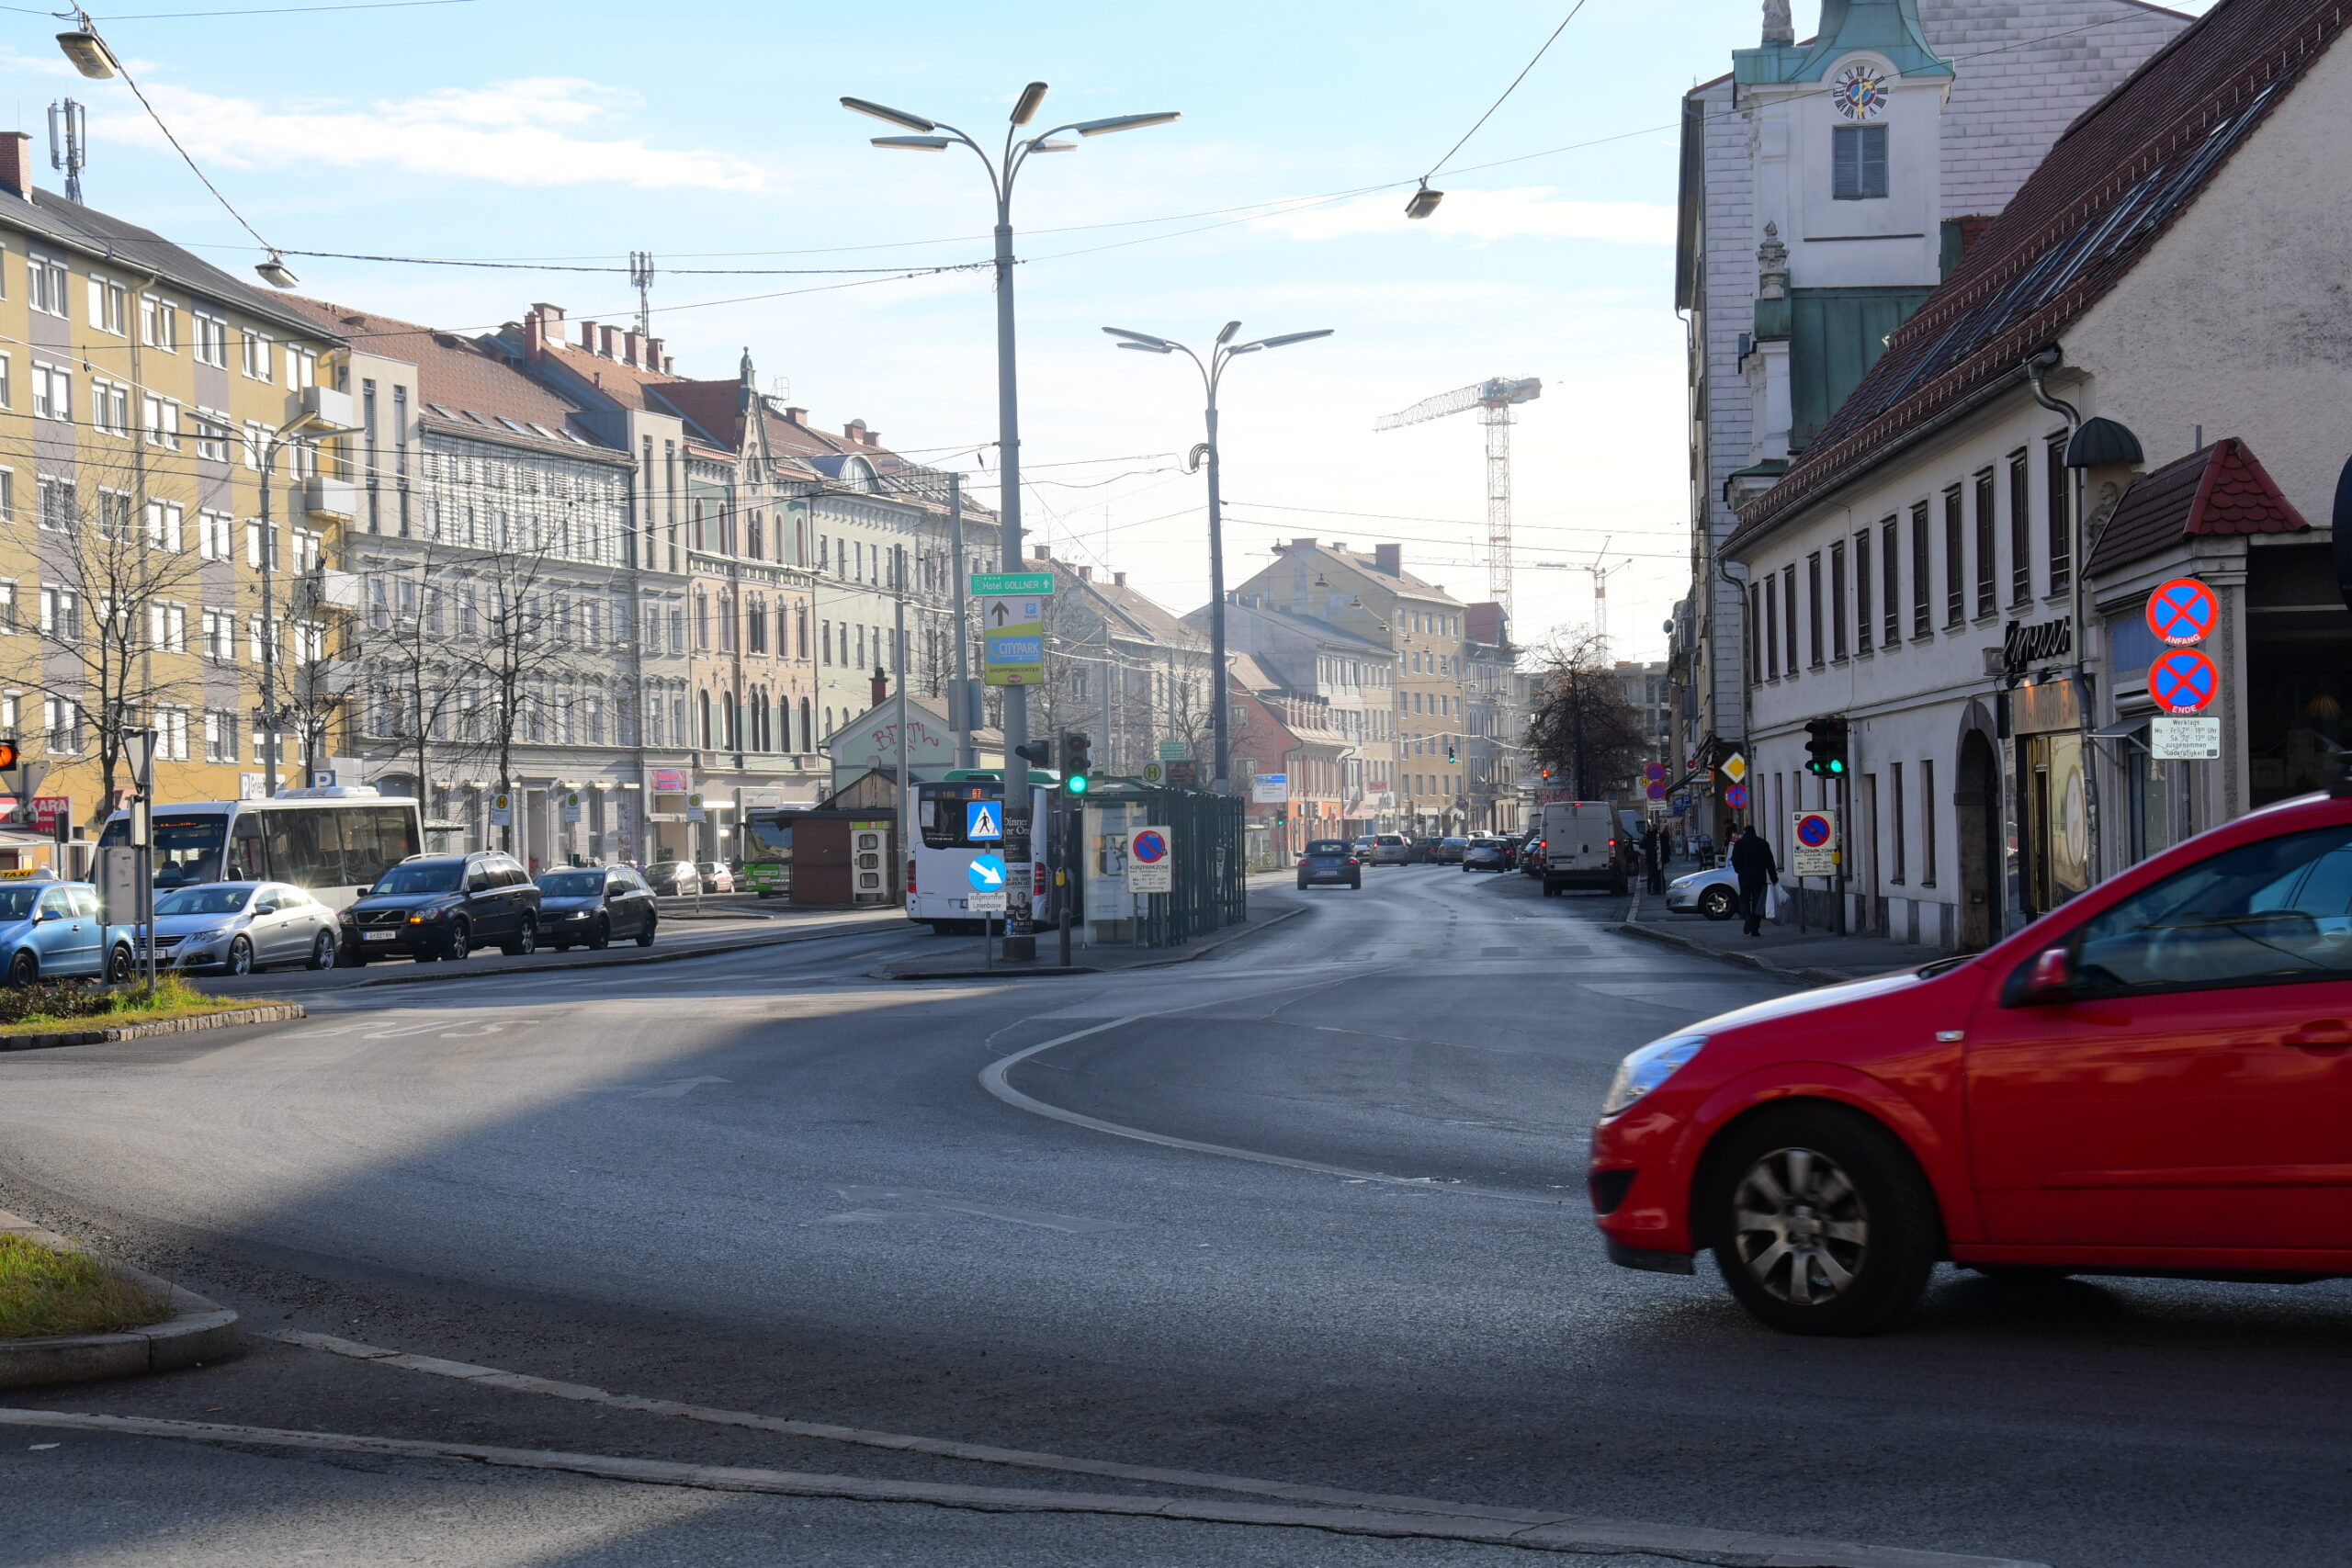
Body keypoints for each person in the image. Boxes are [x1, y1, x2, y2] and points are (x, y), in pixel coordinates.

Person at [1730, 824, 1780, 937]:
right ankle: (1755, 928)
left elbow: (1735, 860)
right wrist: (1774, 878)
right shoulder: (1763, 843)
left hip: (1744, 877)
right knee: (1759, 903)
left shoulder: (1739, 844)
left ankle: (1747, 916)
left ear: (1745, 832)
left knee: (1744, 899)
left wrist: (1739, 870)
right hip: (1760, 877)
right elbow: (1770, 862)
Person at [1642, 822, 1665, 894]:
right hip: (1659, 858)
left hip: (1651, 859)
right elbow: (1666, 845)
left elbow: (1642, 845)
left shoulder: (1648, 836)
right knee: (1659, 873)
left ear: (1651, 828)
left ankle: (1650, 889)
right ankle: (1660, 888)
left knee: (1651, 874)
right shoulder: (1660, 836)